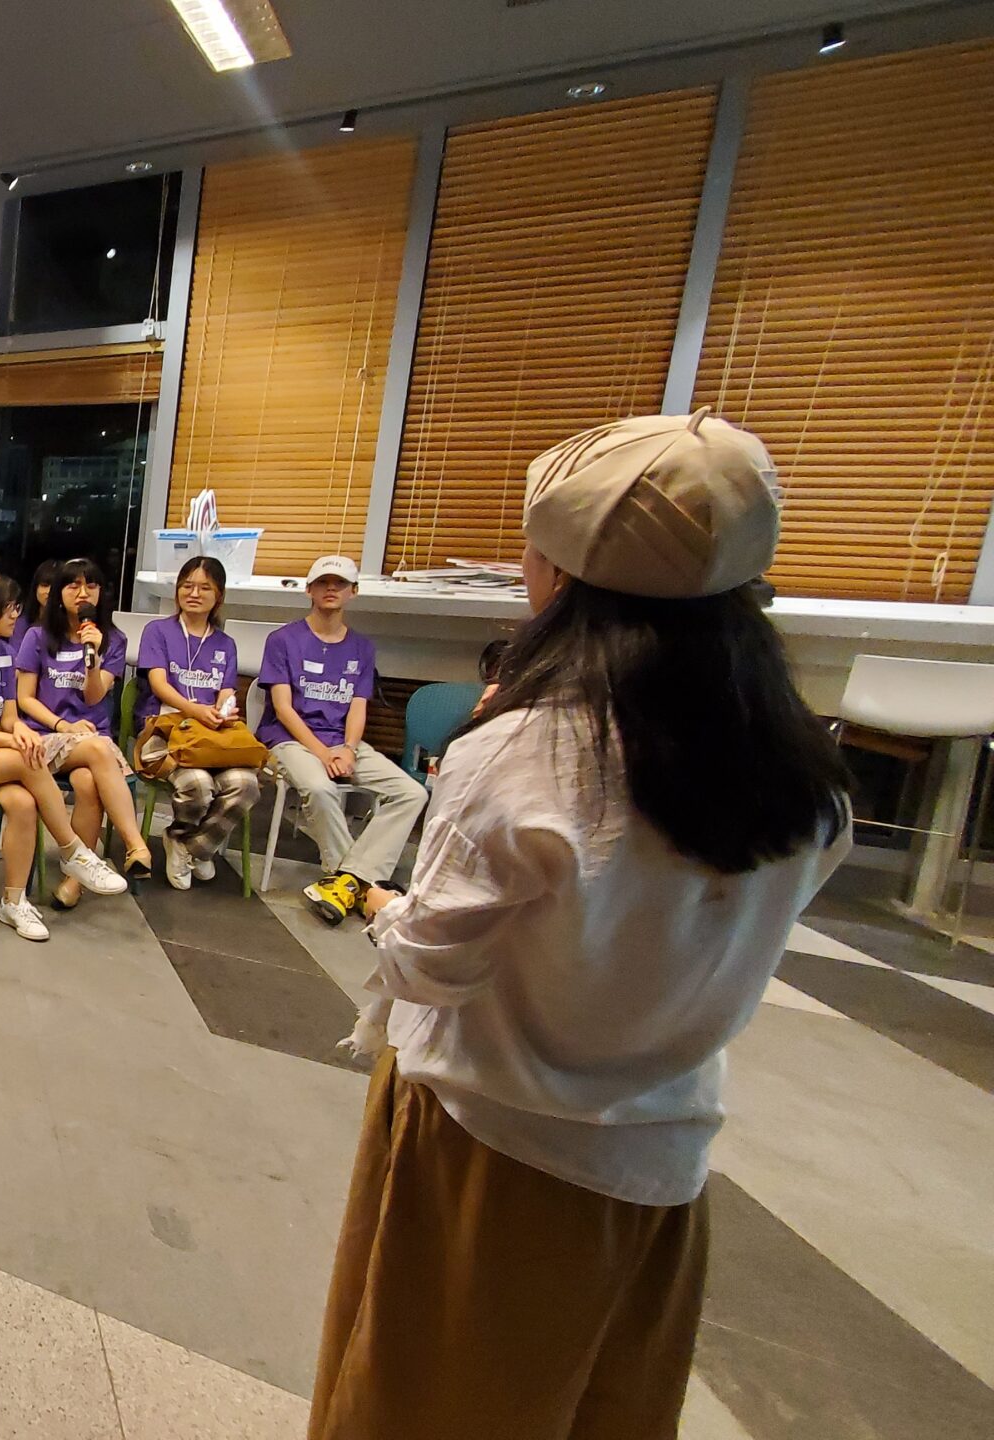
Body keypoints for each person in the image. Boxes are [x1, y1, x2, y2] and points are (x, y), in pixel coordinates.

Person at [308, 412, 854, 1440]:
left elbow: (428, 969)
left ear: (557, 575)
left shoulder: (523, 751)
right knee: (602, 1406)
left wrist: (384, 911)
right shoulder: (804, 776)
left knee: (424, 1403)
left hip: (489, 1146)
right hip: (662, 1159)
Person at [0, 571, 138, 942]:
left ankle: (13, 902)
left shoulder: (4, 653)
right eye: (7, 608)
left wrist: (18, 730)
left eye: (16, 608)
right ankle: (73, 851)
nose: (15, 616)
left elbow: (8, 717)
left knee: (23, 803)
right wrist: (11, 742)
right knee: (28, 758)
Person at [257, 555, 429, 925]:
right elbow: (283, 709)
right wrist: (322, 753)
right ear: (309, 590)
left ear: (354, 592)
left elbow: (357, 707)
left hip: (343, 742)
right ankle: (351, 879)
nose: (330, 589)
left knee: (412, 792)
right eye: (323, 583)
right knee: (320, 788)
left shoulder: (362, 648)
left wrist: (348, 750)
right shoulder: (283, 640)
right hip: (289, 739)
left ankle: (348, 879)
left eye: (339, 584)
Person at [10, 558, 154, 908]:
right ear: (59, 594)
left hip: (89, 745)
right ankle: (135, 844)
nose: (82, 592)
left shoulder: (112, 640)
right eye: (72, 585)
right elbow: (24, 699)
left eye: (91, 585)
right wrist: (63, 725)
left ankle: (74, 881)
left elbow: (94, 696)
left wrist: (94, 657)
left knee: (89, 783)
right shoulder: (38, 636)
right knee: (99, 750)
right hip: (44, 739)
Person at [134, 557, 261, 892]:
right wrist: (195, 710)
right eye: (187, 585)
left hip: (210, 736)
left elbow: (227, 692)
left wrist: (224, 711)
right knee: (198, 785)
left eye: (205, 587)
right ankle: (192, 843)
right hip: (164, 731)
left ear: (218, 596)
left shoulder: (225, 644)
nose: (194, 593)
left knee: (246, 785)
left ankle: (191, 845)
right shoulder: (157, 631)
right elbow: (160, 684)